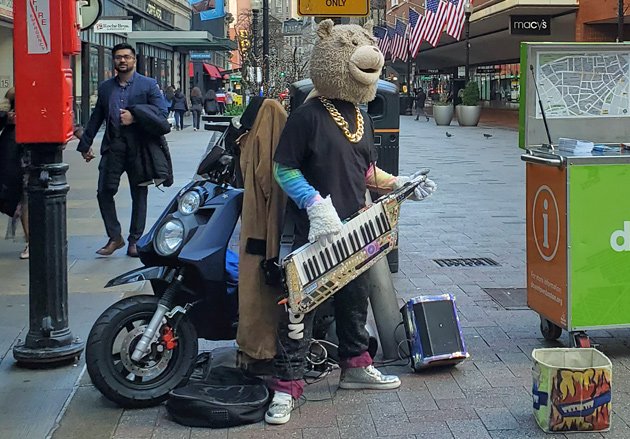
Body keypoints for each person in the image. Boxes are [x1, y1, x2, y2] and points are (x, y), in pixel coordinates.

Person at [265, 20, 436, 425]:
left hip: (354, 229)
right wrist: (313, 204)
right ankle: (286, 388)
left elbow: (364, 172)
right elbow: (283, 169)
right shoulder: (306, 115)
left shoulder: (362, 117)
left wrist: (401, 183)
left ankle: (356, 367)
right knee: (299, 309)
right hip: (314, 231)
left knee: (354, 301)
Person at [77, 42, 168, 257]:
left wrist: (135, 116)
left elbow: (162, 112)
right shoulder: (106, 87)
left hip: (139, 148)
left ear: (134, 60)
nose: (122, 60)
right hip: (113, 146)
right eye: (118, 57)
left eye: (127, 57)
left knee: (139, 193)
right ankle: (115, 237)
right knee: (104, 192)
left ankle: (134, 240)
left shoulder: (148, 85)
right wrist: (85, 144)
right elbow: (97, 117)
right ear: (114, 61)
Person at [0, 87, 29, 259]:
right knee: (16, 196)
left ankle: (31, 241)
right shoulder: (14, 92)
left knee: (26, 198)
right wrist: (7, 118)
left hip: (31, 148)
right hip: (11, 149)